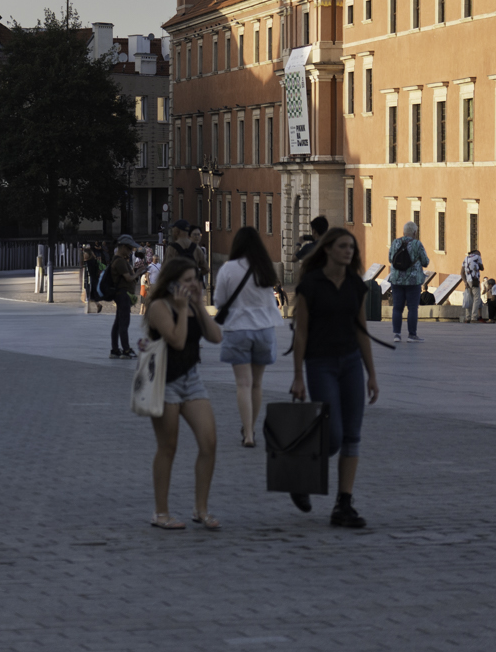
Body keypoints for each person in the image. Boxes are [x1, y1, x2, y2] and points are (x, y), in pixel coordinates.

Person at [289, 226, 379, 528]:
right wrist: (298, 376)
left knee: (353, 435)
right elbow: (300, 332)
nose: (348, 251)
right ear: (327, 249)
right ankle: (301, 474)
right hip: (320, 363)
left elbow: (362, 331)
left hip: (351, 362)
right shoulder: (311, 284)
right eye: (343, 246)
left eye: (351, 247)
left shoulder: (355, 284)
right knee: (334, 434)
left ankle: (343, 504)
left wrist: (372, 374)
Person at [144, 255, 223, 530]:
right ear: (173, 282)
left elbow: (216, 337)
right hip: (165, 381)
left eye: (195, 280)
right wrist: (180, 307)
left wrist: (199, 306)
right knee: (168, 446)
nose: (193, 284)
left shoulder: (192, 304)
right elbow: (176, 341)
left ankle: (201, 509)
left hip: (192, 379)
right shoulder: (159, 306)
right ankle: (161, 513)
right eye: (187, 280)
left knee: (209, 442)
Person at [212, 226, 283, 450]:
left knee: (243, 383)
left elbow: (219, 302)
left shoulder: (228, 269)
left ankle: (249, 434)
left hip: (238, 329)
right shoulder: (265, 268)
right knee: (257, 384)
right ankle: (251, 427)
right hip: (264, 330)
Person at [386, 220, 429, 342]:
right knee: (412, 308)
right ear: (415, 232)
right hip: (413, 280)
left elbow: (390, 258)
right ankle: (412, 335)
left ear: (403, 232)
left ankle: (397, 335)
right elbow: (425, 262)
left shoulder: (395, 243)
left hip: (396, 279)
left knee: (397, 307)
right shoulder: (417, 244)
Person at [104, 239, 137, 358]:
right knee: (124, 323)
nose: (130, 251)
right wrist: (140, 272)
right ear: (122, 247)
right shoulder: (120, 261)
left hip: (120, 294)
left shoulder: (116, 260)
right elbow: (128, 278)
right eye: (129, 248)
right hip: (123, 294)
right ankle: (126, 350)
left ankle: (115, 349)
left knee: (118, 323)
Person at [460, 245, 486, 324]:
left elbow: (461, 272)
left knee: (469, 299)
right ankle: (474, 318)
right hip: (475, 280)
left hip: (467, 281)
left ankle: (467, 318)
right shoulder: (477, 257)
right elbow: (482, 268)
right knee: (476, 299)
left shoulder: (466, 258)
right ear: (477, 253)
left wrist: (465, 282)